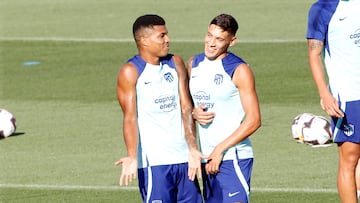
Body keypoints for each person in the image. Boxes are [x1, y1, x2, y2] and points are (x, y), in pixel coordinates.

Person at [114, 14, 203, 203]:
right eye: (161, 36)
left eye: (167, 34)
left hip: (184, 161)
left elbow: (186, 107)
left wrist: (193, 149)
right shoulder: (130, 71)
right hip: (154, 164)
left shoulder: (175, 63)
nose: (168, 39)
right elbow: (129, 117)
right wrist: (131, 155)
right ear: (144, 40)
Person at [188, 13, 261, 203]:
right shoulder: (193, 65)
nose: (211, 43)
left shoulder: (238, 70)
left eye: (219, 39)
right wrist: (194, 113)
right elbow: (187, 107)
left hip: (232, 158)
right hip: (206, 159)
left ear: (232, 41)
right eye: (209, 35)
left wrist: (219, 150)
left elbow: (254, 120)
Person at [306, 0, 360, 202]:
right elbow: (314, 54)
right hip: (349, 95)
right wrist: (324, 94)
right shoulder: (322, 9)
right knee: (350, 157)